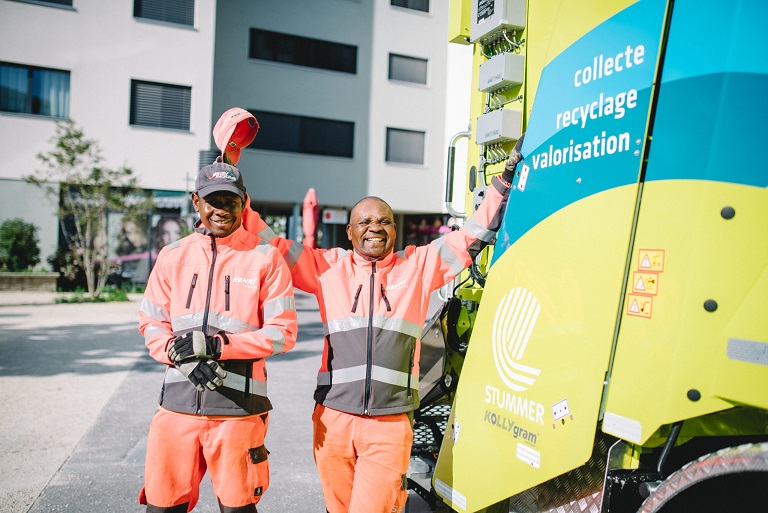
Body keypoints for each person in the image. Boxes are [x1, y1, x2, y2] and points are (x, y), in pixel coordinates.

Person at [223, 104, 525, 512]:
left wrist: (503, 181)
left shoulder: (418, 266)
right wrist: (233, 183)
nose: (374, 228)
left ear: (394, 229)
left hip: (390, 424)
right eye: (364, 223)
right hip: (332, 420)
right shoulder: (326, 267)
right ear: (349, 232)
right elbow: (267, 240)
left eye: (383, 221)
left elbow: (472, 234)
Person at [137, 161, 298, 512]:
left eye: (230, 201)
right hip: (176, 409)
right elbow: (151, 322)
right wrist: (177, 352)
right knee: (161, 507)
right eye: (212, 201)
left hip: (238, 413)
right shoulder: (172, 256)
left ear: (244, 202)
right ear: (196, 202)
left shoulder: (266, 258)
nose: (221, 209)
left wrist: (217, 346)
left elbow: (283, 333)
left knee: (238, 508)